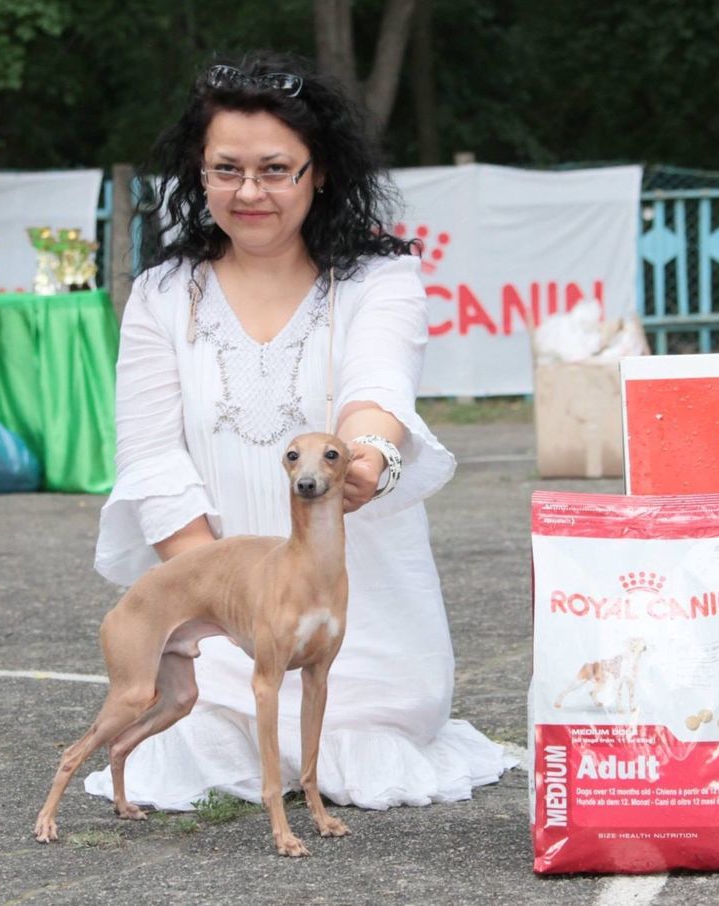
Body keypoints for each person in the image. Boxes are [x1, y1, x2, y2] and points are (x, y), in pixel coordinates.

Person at [82, 52, 510, 813]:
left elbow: (380, 387)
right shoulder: (158, 294)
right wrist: (230, 609)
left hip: (367, 627)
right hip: (227, 631)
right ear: (197, 173)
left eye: (276, 169)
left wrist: (369, 455)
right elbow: (149, 459)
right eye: (226, 170)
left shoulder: (383, 279)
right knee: (205, 741)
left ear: (321, 173)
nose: (250, 192)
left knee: (371, 751)